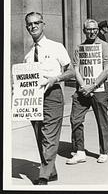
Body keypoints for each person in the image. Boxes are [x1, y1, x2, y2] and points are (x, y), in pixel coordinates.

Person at [23, 12, 74, 185]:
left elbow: (71, 71)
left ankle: (43, 175)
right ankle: (51, 171)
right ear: (27, 27)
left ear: (43, 24)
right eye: (30, 24)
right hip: (33, 98)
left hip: (52, 95)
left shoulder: (56, 47)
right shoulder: (28, 55)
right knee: (39, 135)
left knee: (49, 136)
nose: (33, 26)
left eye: (36, 23)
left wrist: (56, 79)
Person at [66, 19, 108, 164]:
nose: (91, 32)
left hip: (99, 90)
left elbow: (107, 69)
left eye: (94, 29)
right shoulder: (79, 48)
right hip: (82, 90)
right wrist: (83, 86)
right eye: (88, 29)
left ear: (97, 30)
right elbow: (76, 69)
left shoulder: (104, 46)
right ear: (84, 31)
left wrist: (92, 86)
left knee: (102, 121)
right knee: (75, 119)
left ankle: (104, 151)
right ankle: (80, 151)